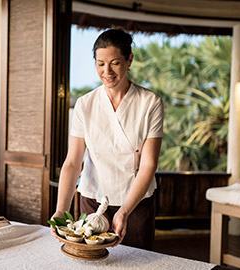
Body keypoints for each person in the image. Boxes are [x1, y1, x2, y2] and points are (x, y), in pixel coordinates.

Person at [51, 28, 164, 250]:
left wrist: (124, 211)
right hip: (93, 198)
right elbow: (73, 162)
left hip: (135, 202)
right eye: (100, 63)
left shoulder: (150, 103)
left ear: (129, 59)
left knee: (137, 262)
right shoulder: (85, 104)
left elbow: (148, 164)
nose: (107, 71)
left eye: (115, 63)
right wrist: (60, 210)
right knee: (91, 261)